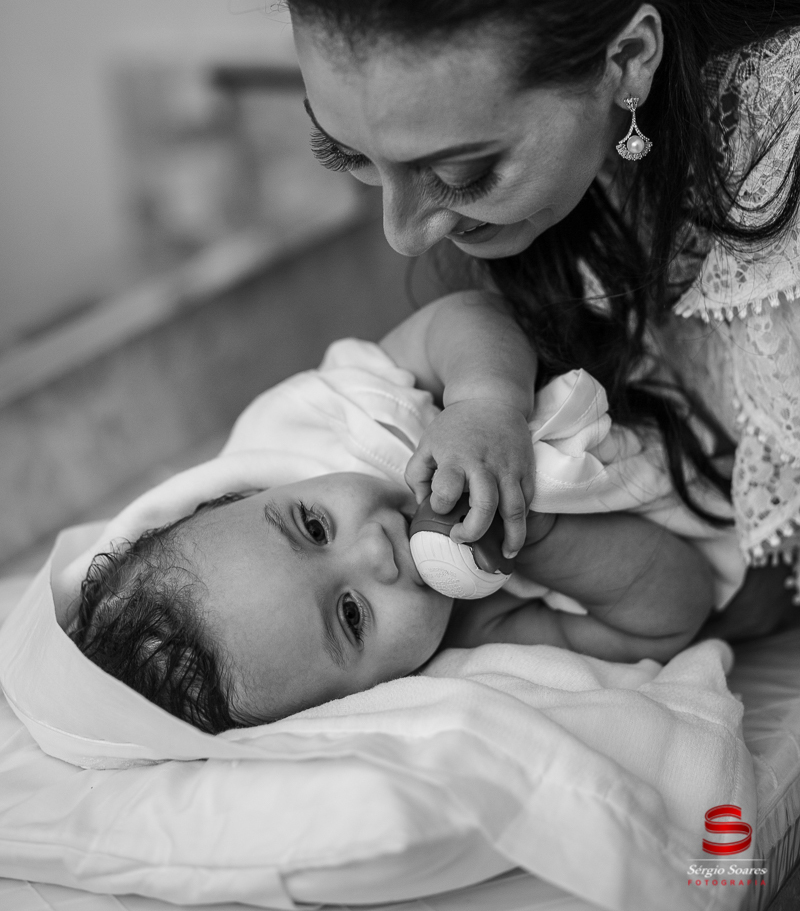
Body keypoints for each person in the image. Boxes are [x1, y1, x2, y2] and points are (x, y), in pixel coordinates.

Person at [259, 0, 800, 619]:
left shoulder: (779, 154)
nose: (403, 234)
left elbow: (762, 577)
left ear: (628, 61)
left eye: (463, 171)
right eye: (348, 153)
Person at [68, 292, 730, 732]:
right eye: (352, 616)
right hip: (729, 495)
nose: (376, 551)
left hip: (662, 346)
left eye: (313, 527)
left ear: (250, 492)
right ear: (361, 698)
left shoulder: (327, 421)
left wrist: (484, 401)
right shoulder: (468, 630)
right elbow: (674, 614)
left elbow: (461, 316)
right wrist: (537, 537)